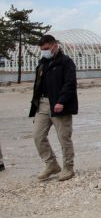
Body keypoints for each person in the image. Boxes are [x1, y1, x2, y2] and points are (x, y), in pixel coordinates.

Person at [29, 34, 78, 181]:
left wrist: (61, 101)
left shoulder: (66, 62)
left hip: (59, 105)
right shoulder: (42, 63)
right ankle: (51, 165)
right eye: (42, 49)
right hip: (42, 104)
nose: (44, 51)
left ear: (54, 46)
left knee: (64, 137)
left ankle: (68, 167)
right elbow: (38, 86)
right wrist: (35, 104)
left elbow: (70, 84)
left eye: (46, 48)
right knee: (37, 135)